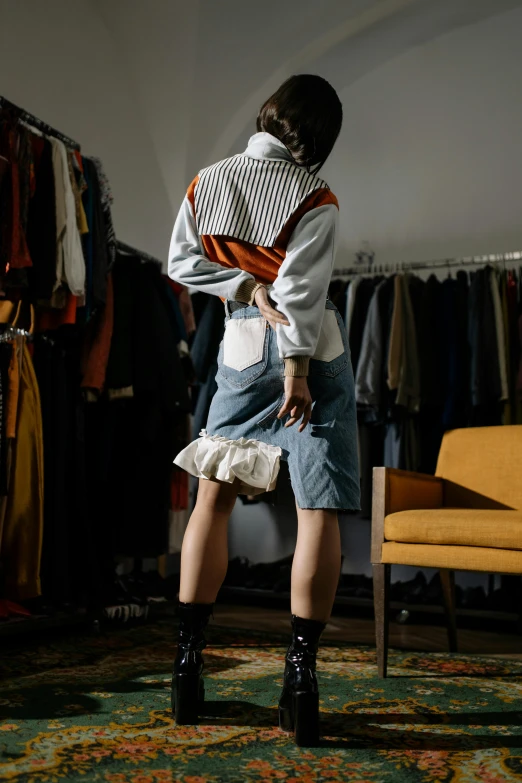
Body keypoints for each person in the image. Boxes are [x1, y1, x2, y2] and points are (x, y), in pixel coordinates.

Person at [168, 74, 360, 746]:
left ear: (267, 114)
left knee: (212, 498)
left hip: (241, 346)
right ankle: (301, 682)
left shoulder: (207, 181)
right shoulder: (317, 197)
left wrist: (245, 285)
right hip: (312, 357)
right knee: (317, 509)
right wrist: (299, 371)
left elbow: (181, 261)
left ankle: (187, 669)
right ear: (319, 138)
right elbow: (304, 293)